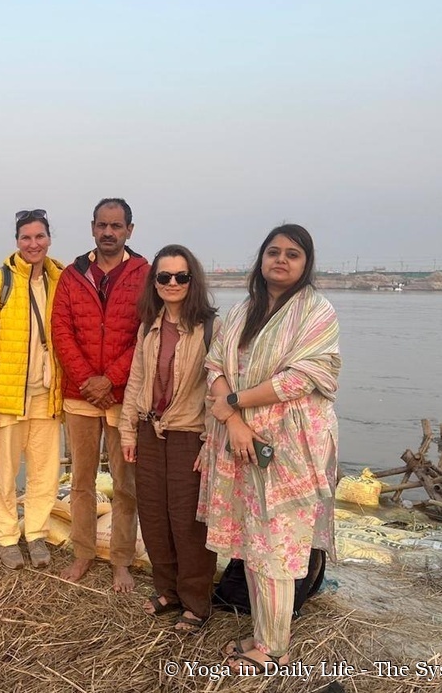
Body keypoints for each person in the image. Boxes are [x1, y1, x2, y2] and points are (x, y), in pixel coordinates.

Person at [198, 224, 340, 671]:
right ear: (261, 260)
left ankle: (273, 649)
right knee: (254, 541)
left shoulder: (318, 312)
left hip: (290, 447)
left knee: (277, 543)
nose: (281, 260)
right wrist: (233, 422)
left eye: (292, 254)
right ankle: (262, 635)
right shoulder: (243, 311)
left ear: (305, 264)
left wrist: (233, 403)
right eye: (273, 252)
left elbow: (301, 379)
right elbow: (215, 363)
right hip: (241, 441)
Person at [119, 244, 219, 633]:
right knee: (154, 516)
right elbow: (137, 381)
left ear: (192, 281)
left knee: (188, 522)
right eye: (164, 277)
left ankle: (195, 602)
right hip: (149, 430)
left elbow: (217, 388)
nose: (172, 283)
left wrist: (211, 441)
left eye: (181, 276)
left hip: (188, 435)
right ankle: (167, 591)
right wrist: (129, 431)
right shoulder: (150, 326)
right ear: (155, 282)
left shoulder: (210, 327)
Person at [51, 198, 149, 592]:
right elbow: (61, 331)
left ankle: (121, 560)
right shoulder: (73, 275)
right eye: (102, 225)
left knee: (126, 485)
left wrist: (110, 379)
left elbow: (147, 333)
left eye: (117, 226)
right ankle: (83, 552)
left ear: (129, 229)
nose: (109, 232)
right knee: (81, 481)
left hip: (125, 396)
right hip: (80, 395)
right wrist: (89, 379)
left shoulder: (144, 274)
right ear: (92, 228)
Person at [0, 209, 65, 570]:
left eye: (39, 236)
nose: (33, 244)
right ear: (17, 242)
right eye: (26, 238)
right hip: (7, 394)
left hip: (47, 394)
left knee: (44, 471)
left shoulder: (61, 280)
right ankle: (8, 536)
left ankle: (36, 532)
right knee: (5, 473)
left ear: (49, 239)